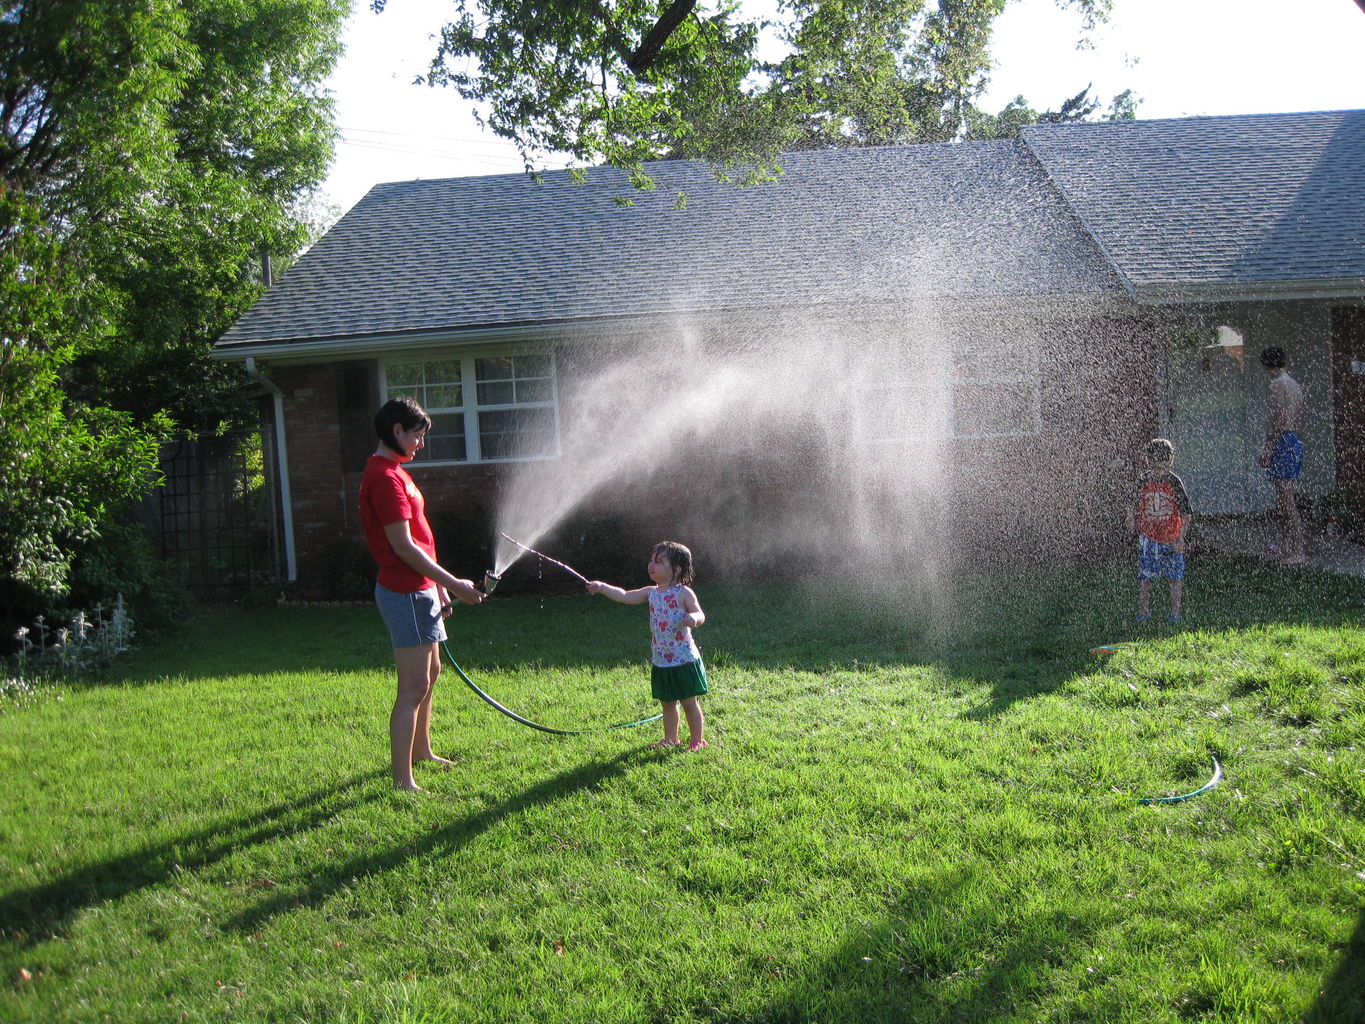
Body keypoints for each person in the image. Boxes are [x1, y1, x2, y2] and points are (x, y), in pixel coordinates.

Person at [359, 396, 484, 791]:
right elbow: (403, 546)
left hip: (421, 588)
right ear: (396, 430)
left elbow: (420, 540)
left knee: (431, 673)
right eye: (417, 435)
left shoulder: (398, 471)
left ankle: (422, 751)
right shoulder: (384, 477)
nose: (421, 444)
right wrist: (452, 584)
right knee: (412, 686)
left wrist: (437, 588)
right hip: (404, 591)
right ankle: (402, 780)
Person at [586, 541, 709, 751]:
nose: (651, 565)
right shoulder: (651, 592)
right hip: (661, 660)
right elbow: (625, 595)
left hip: (684, 659)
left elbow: (700, 614)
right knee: (667, 703)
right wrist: (602, 587)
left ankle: (697, 740)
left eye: (659, 562)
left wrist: (693, 619)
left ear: (676, 569)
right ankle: (671, 738)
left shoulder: (683, 593)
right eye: (651, 560)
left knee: (689, 702)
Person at [1126, 438, 1193, 624]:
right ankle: (1144, 611)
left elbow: (1186, 513)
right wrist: (1130, 517)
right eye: (1155, 468)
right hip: (1148, 538)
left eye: (1163, 468)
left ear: (1171, 461)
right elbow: (1131, 502)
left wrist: (1181, 538)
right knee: (1146, 577)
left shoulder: (1174, 482)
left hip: (1172, 537)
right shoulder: (1143, 480)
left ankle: (1175, 614)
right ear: (1148, 461)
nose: (1159, 472)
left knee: (1175, 578)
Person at [1258, 346, 1307, 566]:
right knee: (1285, 500)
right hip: (1294, 440)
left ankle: (1297, 551)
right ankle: (1288, 548)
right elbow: (1296, 419)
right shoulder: (1294, 384)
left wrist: (1269, 448)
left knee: (1286, 502)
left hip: (1284, 441)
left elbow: (1279, 417)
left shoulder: (1277, 384)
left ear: (1269, 365)